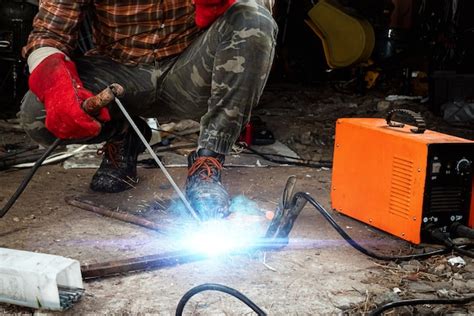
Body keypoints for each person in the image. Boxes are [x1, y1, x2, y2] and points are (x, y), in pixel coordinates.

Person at [19, 0, 277, 219]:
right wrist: (55, 86)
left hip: (188, 68)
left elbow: (259, 12)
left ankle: (208, 162)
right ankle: (122, 134)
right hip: (120, 72)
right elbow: (48, 35)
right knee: (36, 115)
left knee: (253, 19)